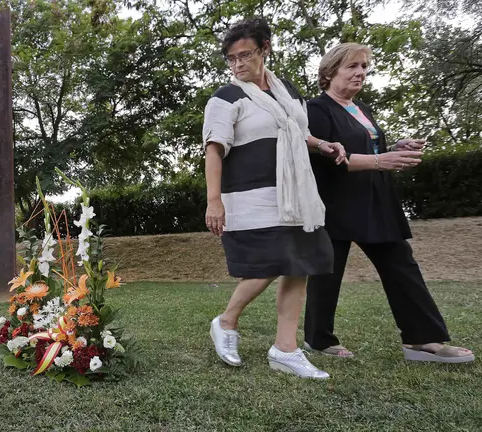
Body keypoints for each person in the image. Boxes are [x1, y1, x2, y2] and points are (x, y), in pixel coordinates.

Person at [303, 42, 474, 363]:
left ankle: (423, 341)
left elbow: (366, 145)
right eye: (352, 66)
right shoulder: (317, 109)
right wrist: (382, 160)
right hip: (335, 204)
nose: (361, 73)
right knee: (327, 274)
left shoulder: (362, 108)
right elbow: (329, 159)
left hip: (377, 201)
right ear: (330, 72)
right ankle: (318, 339)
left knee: (402, 265)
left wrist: (395, 144)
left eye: (365, 67)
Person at [202, 18, 348, 379]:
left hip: (297, 195)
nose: (238, 65)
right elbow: (214, 150)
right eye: (231, 59)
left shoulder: (288, 91)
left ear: (265, 48)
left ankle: (285, 349)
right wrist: (213, 200)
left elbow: (301, 132)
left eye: (245, 55)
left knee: (301, 264)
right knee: (267, 264)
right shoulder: (227, 96)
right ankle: (226, 321)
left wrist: (321, 144)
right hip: (252, 197)